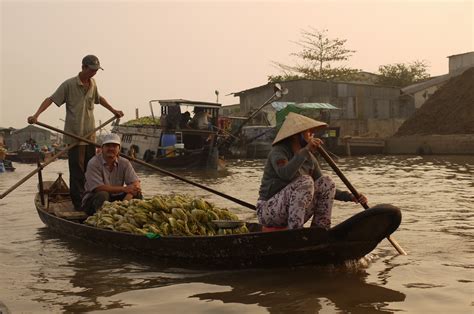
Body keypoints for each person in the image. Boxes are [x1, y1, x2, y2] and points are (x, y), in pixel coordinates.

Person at [27, 55, 124, 210]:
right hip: (75, 136)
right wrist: (36, 115)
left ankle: (93, 199)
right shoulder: (69, 84)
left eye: (96, 71)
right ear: (83, 67)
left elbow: (99, 99)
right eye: (91, 70)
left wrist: (114, 110)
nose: (94, 73)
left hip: (90, 135)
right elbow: (51, 99)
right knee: (77, 171)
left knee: (91, 169)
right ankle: (79, 204)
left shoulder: (93, 84)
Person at [256, 112, 367, 230]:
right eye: (308, 132)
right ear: (296, 135)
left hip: (292, 211)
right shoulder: (279, 151)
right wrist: (306, 150)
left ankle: (320, 229)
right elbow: (285, 174)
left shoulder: (309, 159)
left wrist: (350, 196)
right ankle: (295, 232)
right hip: (268, 210)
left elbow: (325, 187)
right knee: (306, 181)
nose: (312, 136)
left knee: (327, 182)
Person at [82, 133, 142, 215]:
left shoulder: (125, 163)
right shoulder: (93, 163)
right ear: (102, 148)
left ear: (119, 149)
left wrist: (128, 197)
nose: (111, 149)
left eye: (114, 146)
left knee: (137, 193)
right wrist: (124, 189)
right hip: (93, 200)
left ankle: (125, 216)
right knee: (103, 194)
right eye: (108, 146)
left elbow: (136, 183)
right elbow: (98, 188)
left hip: (115, 199)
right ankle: (99, 219)